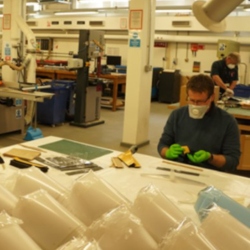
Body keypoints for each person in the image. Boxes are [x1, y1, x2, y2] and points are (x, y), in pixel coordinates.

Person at [157, 74, 240, 172]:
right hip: (178, 169)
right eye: (192, 100)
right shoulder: (177, 115)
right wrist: (167, 152)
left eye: (200, 102)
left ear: (212, 97)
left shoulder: (228, 122)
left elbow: (233, 161)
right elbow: (162, 145)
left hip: (209, 173)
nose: (195, 105)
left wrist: (210, 158)